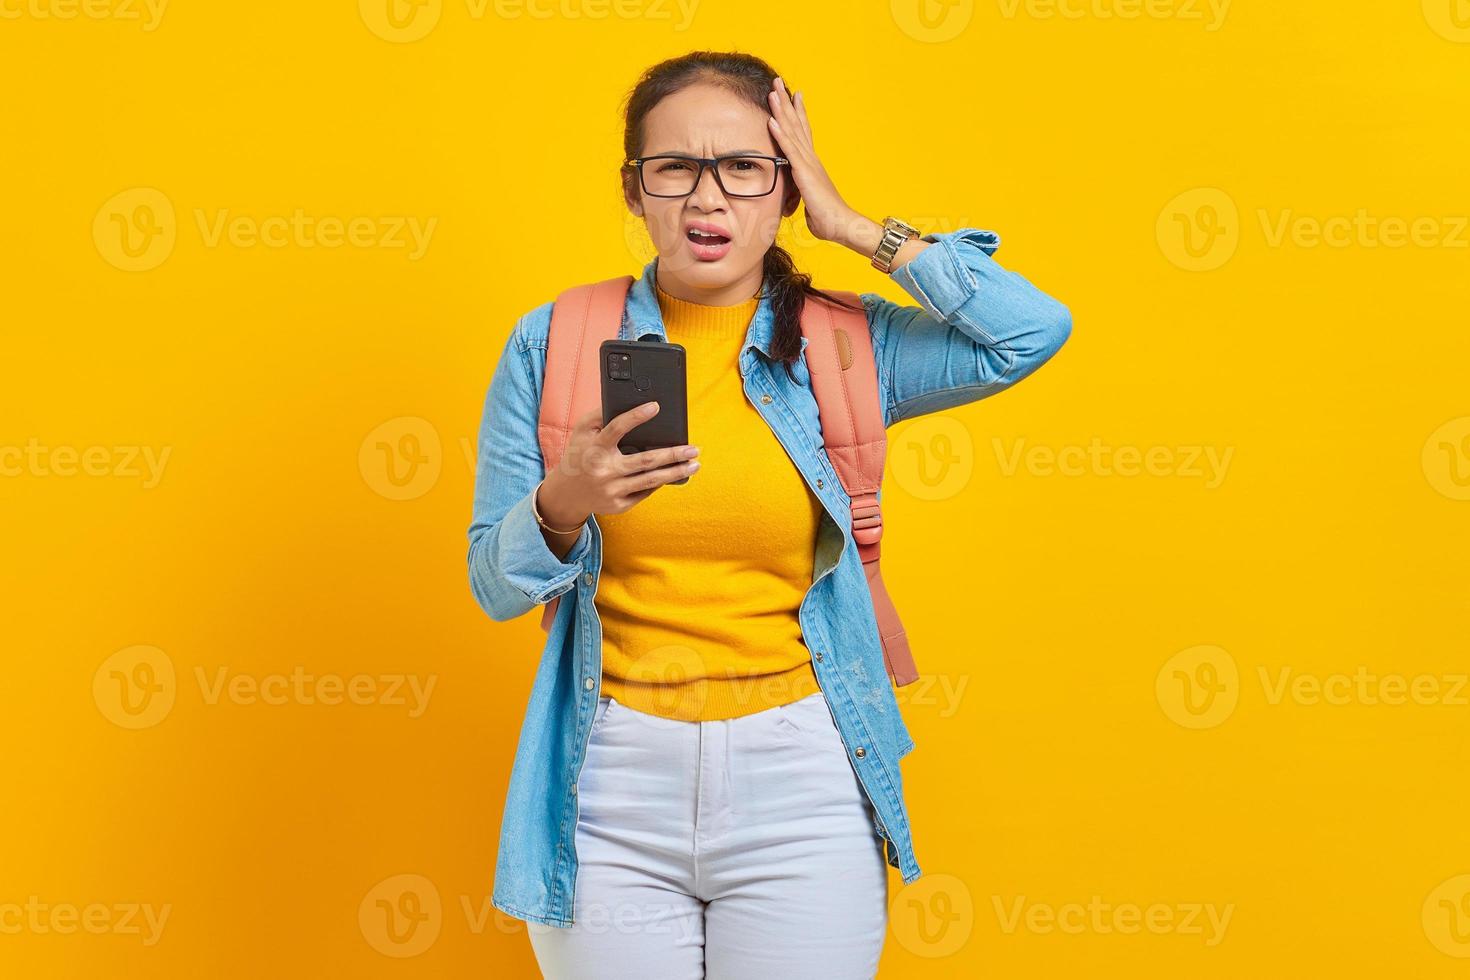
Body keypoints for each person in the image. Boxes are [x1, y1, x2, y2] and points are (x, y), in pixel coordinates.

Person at [468, 49, 1073, 979]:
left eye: (745, 169)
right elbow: (492, 585)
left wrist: (856, 226)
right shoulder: (553, 341)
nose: (707, 200)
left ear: (787, 186)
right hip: (609, 773)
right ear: (635, 190)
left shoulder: (844, 344)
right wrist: (562, 502)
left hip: (802, 777)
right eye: (674, 169)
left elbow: (1030, 331)